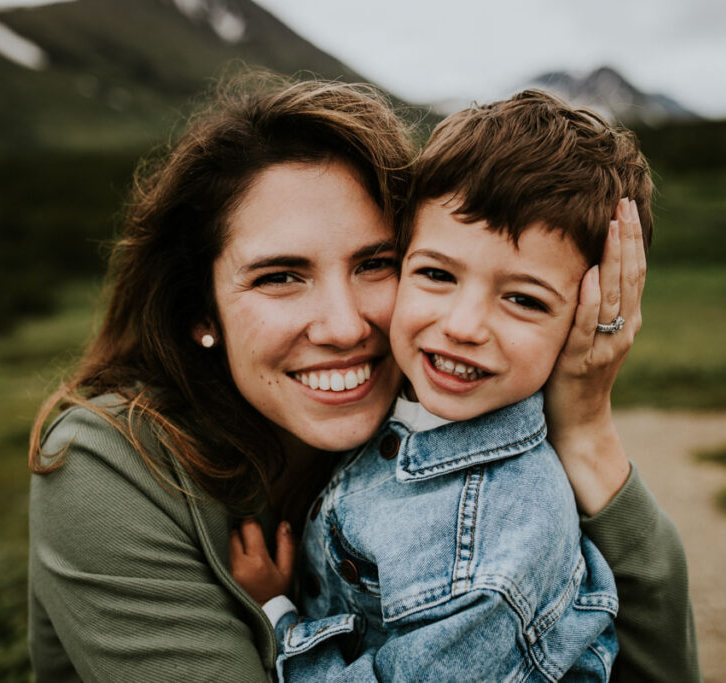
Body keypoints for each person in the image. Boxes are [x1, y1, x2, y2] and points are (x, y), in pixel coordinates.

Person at [27, 74, 699, 682]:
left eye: (375, 263)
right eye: (280, 276)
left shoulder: (440, 411)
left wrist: (584, 429)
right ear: (200, 307)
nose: (346, 325)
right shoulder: (108, 463)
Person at [230, 90, 649, 681]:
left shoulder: (491, 555)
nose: (461, 326)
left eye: (524, 299)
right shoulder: (403, 402)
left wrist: (277, 615)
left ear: (588, 319)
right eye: (435, 273)